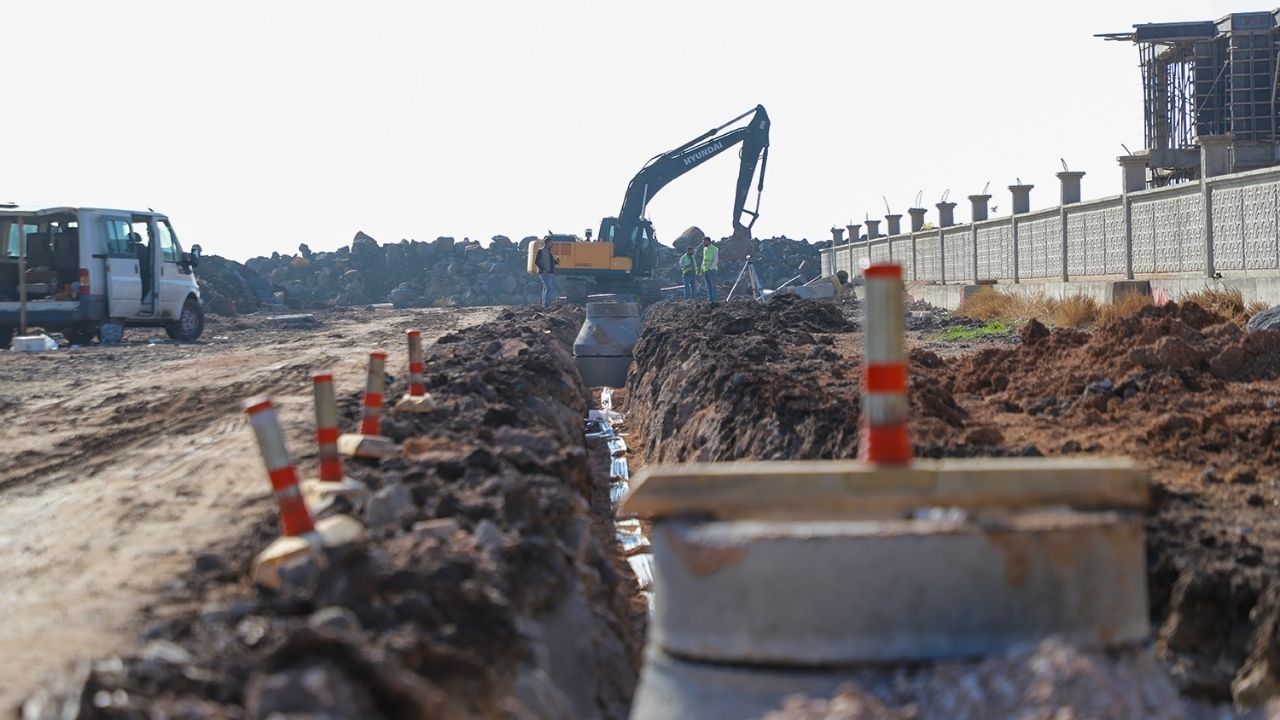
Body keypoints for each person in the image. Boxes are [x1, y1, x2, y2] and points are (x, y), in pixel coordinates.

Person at [534, 238, 559, 308]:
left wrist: (557, 261)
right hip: (544, 273)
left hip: (550, 273)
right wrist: (543, 269)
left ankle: (544, 304)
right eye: (551, 242)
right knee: (549, 288)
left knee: (546, 288)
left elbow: (552, 261)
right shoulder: (541, 251)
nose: (552, 244)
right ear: (548, 243)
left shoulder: (550, 251)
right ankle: (546, 305)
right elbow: (536, 261)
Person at [701, 235, 720, 302]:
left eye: (705, 241)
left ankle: (714, 299)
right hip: (705, 270)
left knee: (713, 285)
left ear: (708, 241)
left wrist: (711, 268)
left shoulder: (714, 249)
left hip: (711, 270)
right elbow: (704, 259)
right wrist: (702, 268)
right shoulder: (704, 249)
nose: (704, 243)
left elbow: (716, 260)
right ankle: (710, 298)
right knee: (708, 285)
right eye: (703, 241)